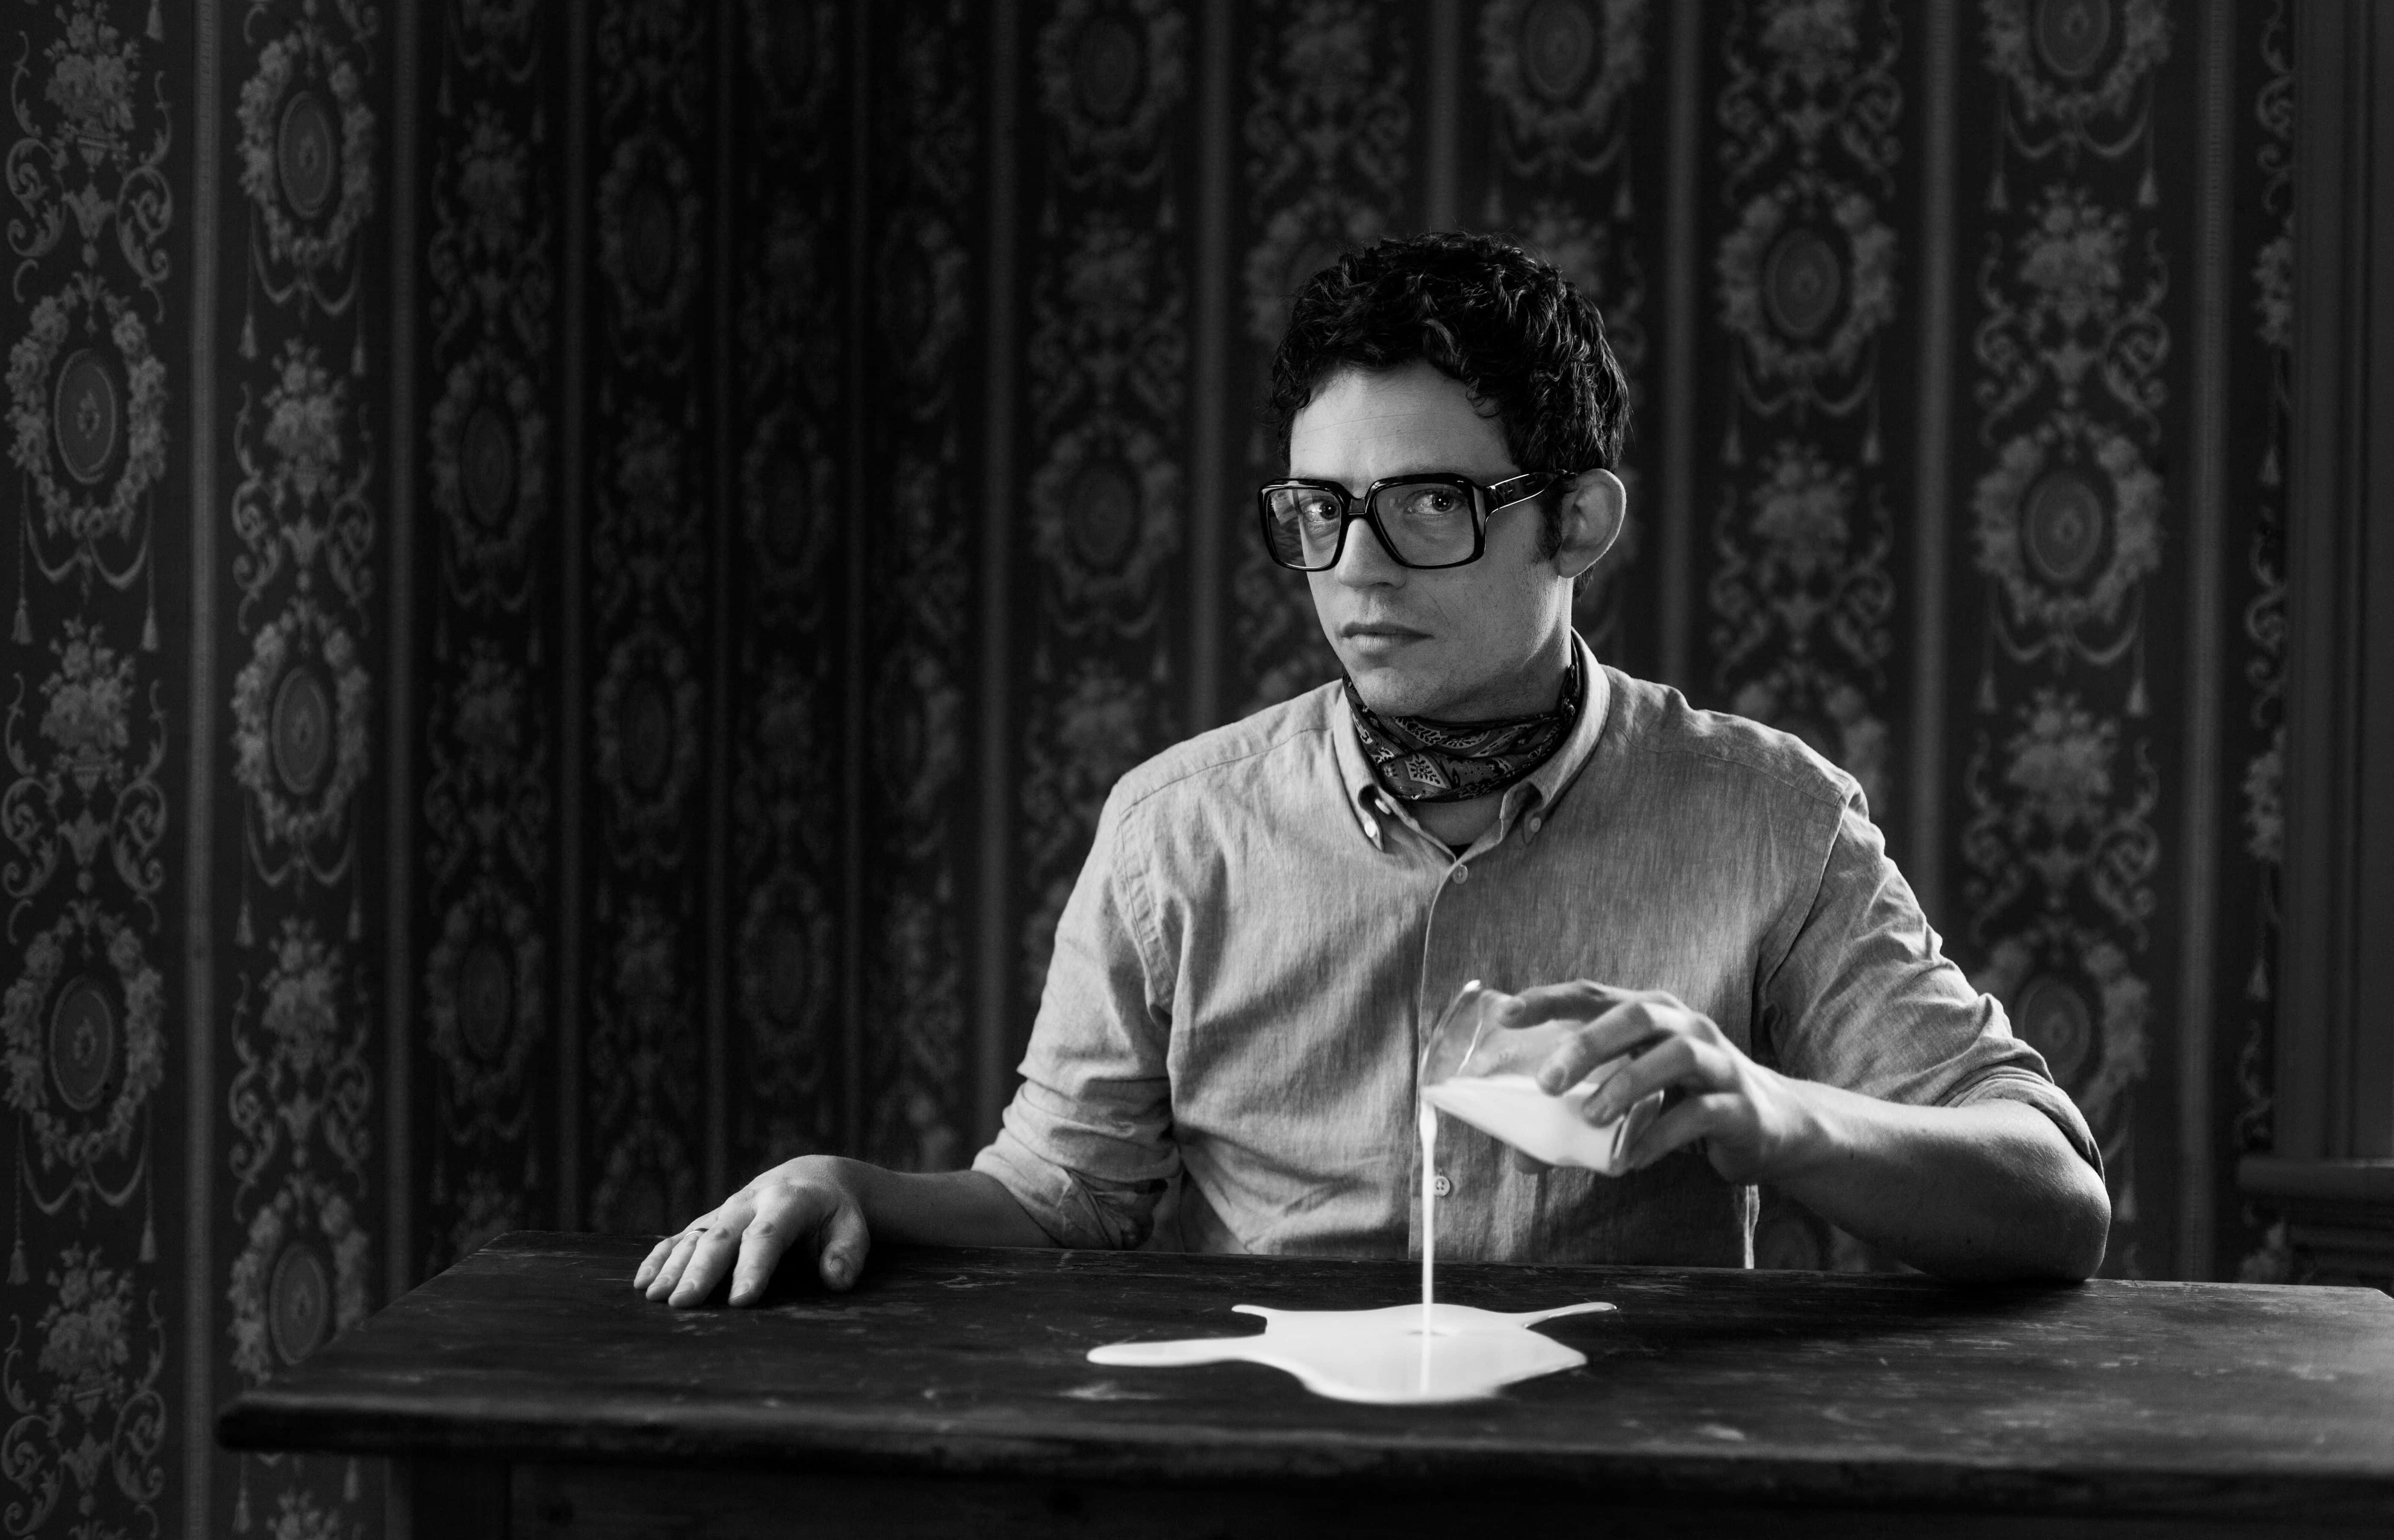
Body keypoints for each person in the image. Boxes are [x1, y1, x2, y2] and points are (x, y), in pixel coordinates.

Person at [636, 233, 2111, 1309]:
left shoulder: (1768, 817)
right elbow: (1061, 1199)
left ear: (1580, 523)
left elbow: (2057, 1202)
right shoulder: (1175, 833)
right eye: (1318, 510)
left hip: (1616, 1492)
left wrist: (1771, 1113)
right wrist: (850, 1188)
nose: (1355, 570)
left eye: (1429, 506)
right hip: (1266, 1493)